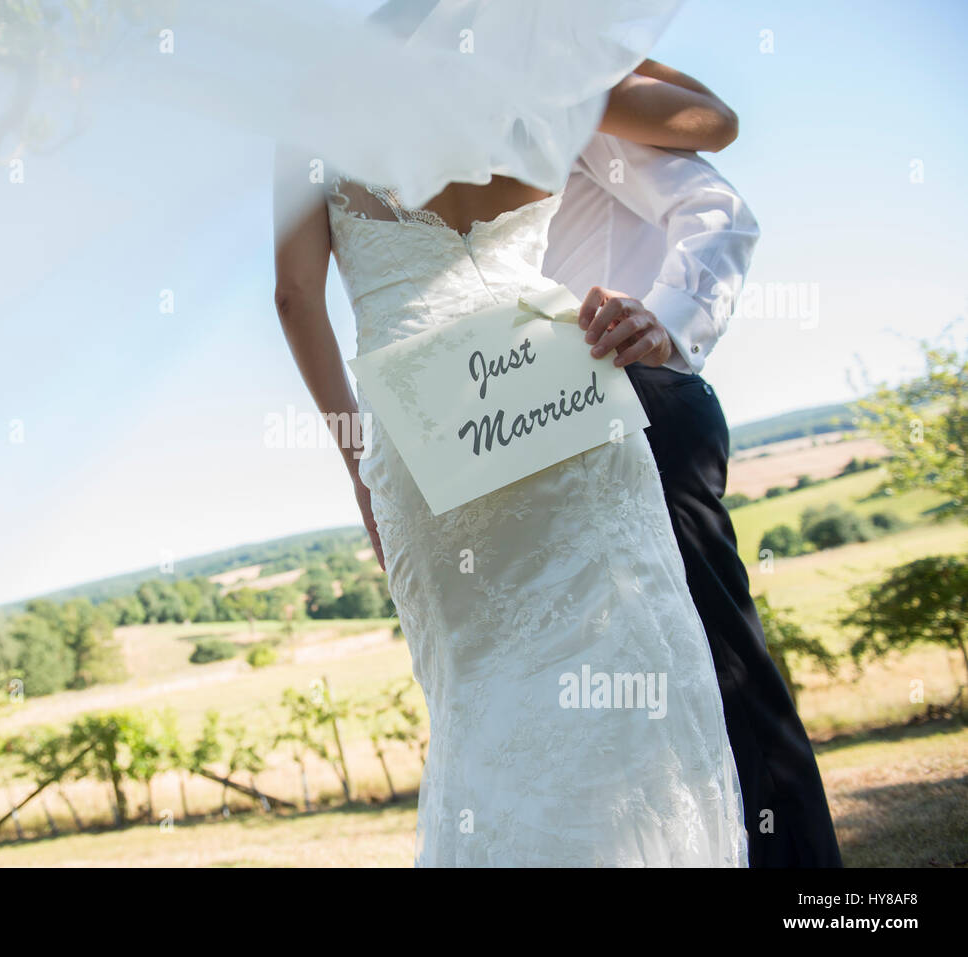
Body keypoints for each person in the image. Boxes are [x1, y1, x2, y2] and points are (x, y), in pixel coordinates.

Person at [273, 60, 749, 865]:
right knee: (631, 687)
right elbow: (716, 120)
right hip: (562, 388)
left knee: (482, 695)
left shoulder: (319, 97)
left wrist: (360, 465)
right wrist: (605, 57)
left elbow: (294, 297)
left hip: (424, 427)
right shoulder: (541, 72)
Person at [543, 119, 845, 867]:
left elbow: (720, 210)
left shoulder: (568, 107)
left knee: (723, 674)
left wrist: (665, 323)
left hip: (640, 411)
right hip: (539, 449)